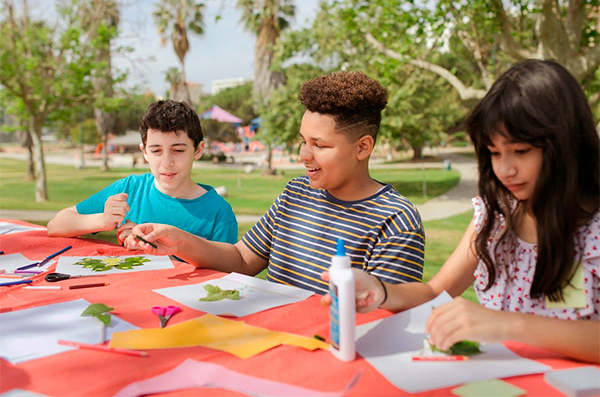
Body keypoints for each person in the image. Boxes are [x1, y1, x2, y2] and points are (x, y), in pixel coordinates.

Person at [324, 60, 599, 363]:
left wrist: (507, 325)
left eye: (521, 151)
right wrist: (379, 290)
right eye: (494, 153)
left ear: (566, 143)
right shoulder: (497, 217)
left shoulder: (593, 231)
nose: (505, 169)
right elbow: (435, 292)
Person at [131, 71, 425, 295]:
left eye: (319, 145)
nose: (303, 155)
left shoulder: (396, 220)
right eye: (302, 141)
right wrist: (178, 240)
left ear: (362, 147)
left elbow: (385, 315)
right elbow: (241, 259)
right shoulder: (296, 194)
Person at [47, 100, 238, 246]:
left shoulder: (218, 213)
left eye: (178, 150)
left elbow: (225, 281)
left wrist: (154, 249)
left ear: (198, 150)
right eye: (156, 151)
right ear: (144, 152)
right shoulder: (130, 189)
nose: (166, 162)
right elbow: (55, 226)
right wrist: (102, 221)